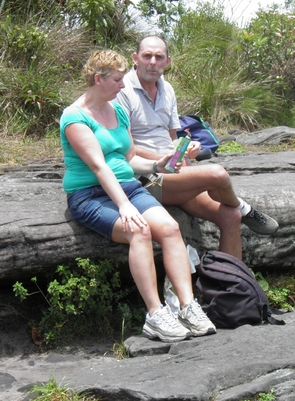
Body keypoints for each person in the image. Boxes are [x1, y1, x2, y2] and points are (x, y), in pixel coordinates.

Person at [60, 50, 216, 343]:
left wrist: (160, 165)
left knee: (170, 229)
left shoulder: (116, 111)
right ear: (98, 79)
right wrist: (123, 206)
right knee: (140, 231)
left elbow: (129, 158)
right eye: (118, 80)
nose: (123, 86)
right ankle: (155, 315)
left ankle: (187, 307)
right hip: (90, 194)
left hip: (127, 186)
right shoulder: (74, 117)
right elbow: (99, 166)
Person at [115, 35, 279, 261]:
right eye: (147, 56)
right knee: (217, 173)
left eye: (159, 57)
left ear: (167, 62)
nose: (152, 62)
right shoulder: (122, 91)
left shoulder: (168, 89)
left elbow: (172, 138)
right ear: (135, 58)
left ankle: (232, 286)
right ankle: (246, 209)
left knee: (230, 216)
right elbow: (127, 149)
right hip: (145, 176)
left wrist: (185, 149)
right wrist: (166, 159)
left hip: (174, 168)